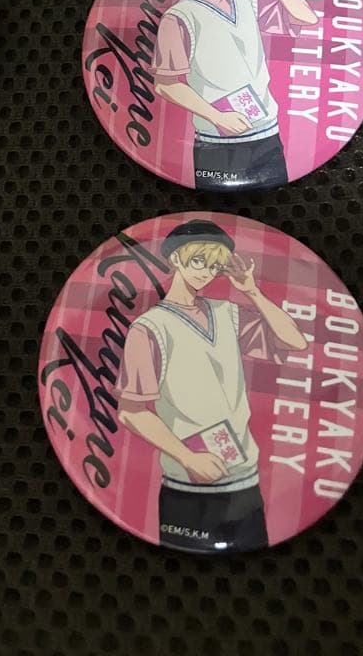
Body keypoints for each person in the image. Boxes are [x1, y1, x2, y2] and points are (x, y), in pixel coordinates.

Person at [116, 219, 308, 552]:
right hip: (187, 485)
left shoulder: (227, 313)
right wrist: (188, 457)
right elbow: (131, 411)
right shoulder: (149, 328)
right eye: (198, 261)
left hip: (244, 479)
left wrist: (251, 291)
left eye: (214, 266)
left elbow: (295, 342)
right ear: (175, 259)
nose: (206, 272)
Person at [152, 0, 319, 190]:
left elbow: (307, 18)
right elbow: (165, 84)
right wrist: (217, 117)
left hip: (266, 131)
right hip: (216, 140)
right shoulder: (179, 17)